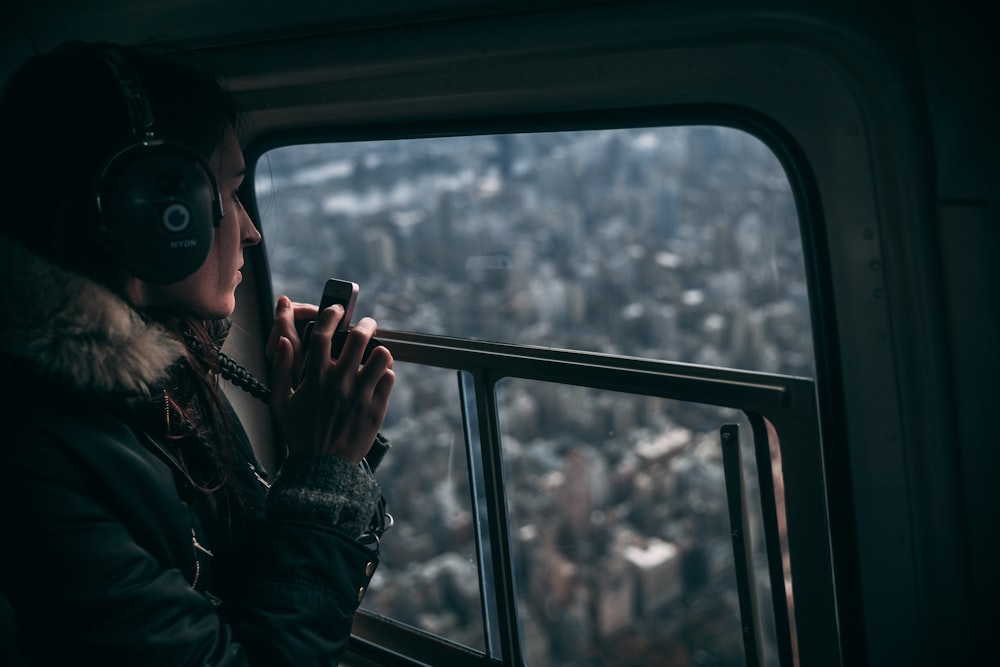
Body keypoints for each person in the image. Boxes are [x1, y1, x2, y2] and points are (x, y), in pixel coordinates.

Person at [0, 40, 396, 665]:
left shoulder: (161, 367)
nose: (251, 228)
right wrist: (322, 479)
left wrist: (313, 445)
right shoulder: (34, 462)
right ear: (156, 214)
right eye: (232, 192)